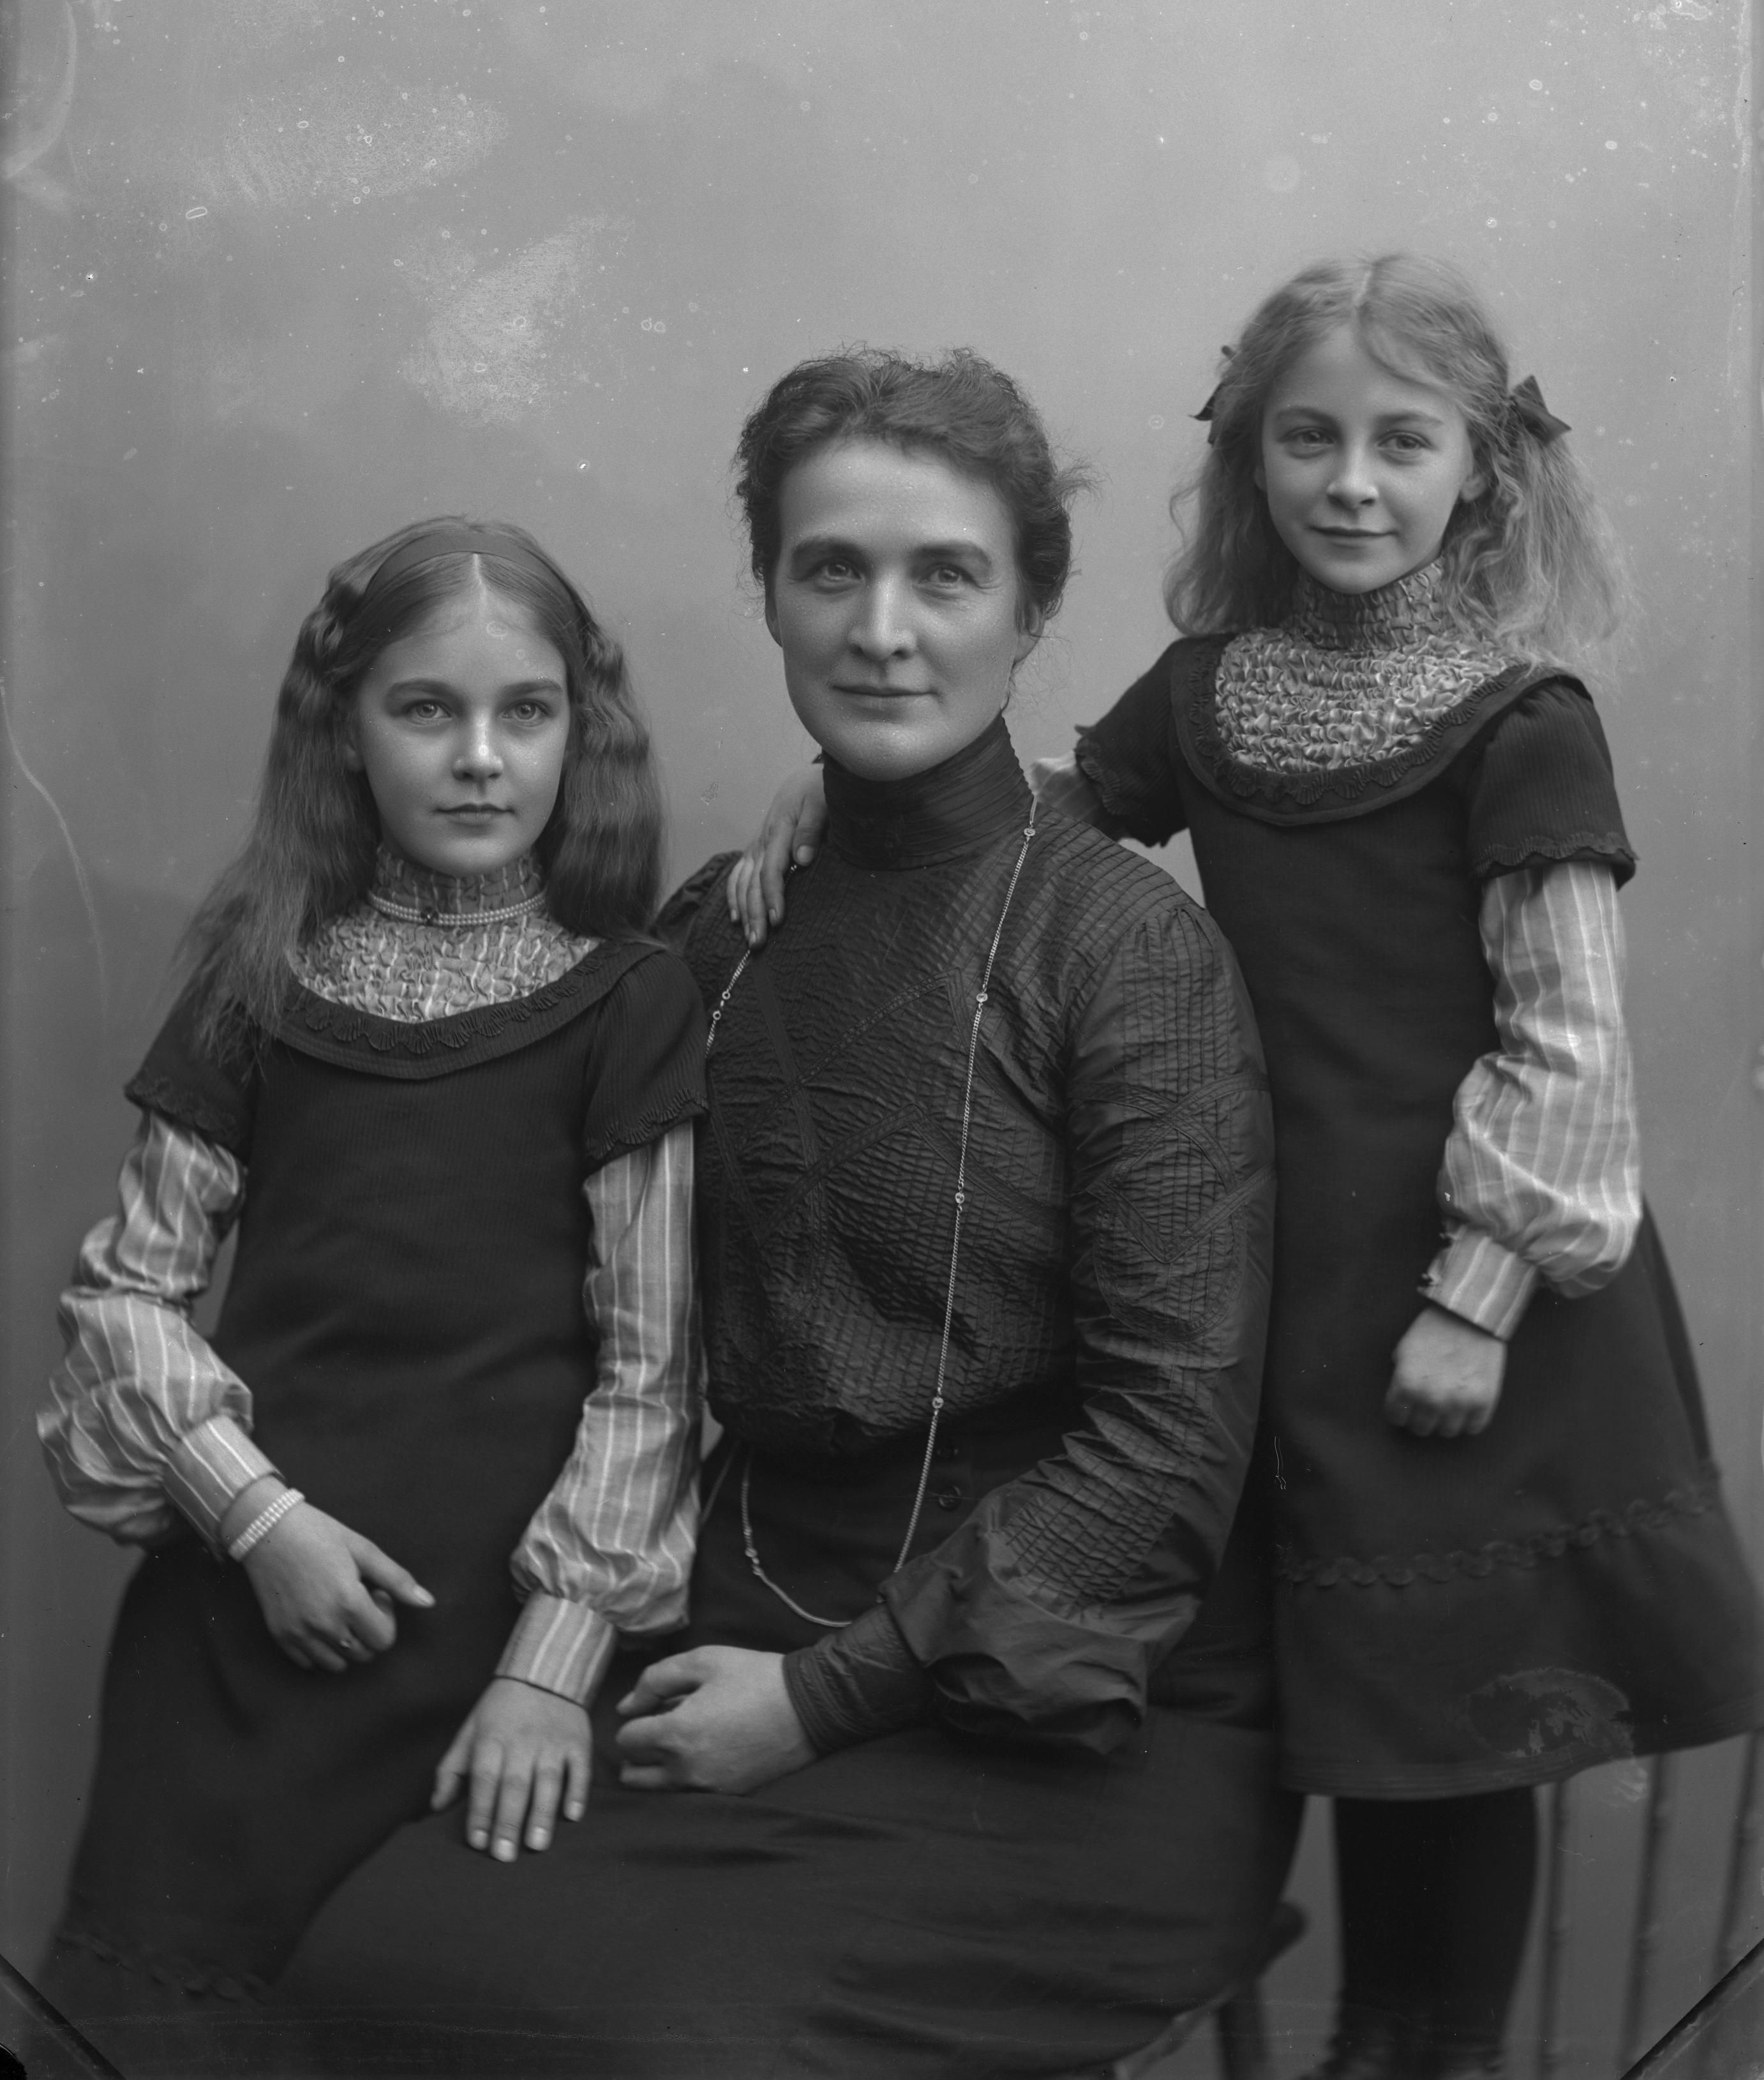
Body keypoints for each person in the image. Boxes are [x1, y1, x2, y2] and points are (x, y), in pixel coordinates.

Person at [733, 263, 1764, 2079]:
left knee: (1449, 1722)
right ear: (1249, 457)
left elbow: (1566, 1041)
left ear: (1481, 466)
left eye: (1399, 443)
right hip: (1292, 1270)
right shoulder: (1213, 691)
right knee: (1342, 1687)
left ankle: (1415, 2057)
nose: (1349, 483)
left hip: (1469, 1296)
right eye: (1308, 438)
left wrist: (1478, 1293)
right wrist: (849, 788)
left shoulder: (1518, 719)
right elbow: (1037, 815)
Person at [268, 347, 1296, 2079]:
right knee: (369, 1967)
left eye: (943, 576)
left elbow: (1169, 1446)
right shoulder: (714, 931)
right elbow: (606, 1327)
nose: (880, 631)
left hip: (1070, 1703)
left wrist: (816, 1705)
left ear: (1032, 608)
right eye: (831, 570)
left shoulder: (1130, 956)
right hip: (735, 1624)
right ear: (768, 591)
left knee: (660, 2047)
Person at [36, 518, 705, 2076]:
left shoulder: (629, 1001)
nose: (478, 757)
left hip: (488, 1672)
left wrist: (549, 1674)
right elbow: (125, 1295)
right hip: (234, 1644)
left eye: (524, 712)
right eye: (424, 709)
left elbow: (654, 1376)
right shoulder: (258, 974)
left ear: (578, 731)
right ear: (343, 728)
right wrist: (258, 1519)